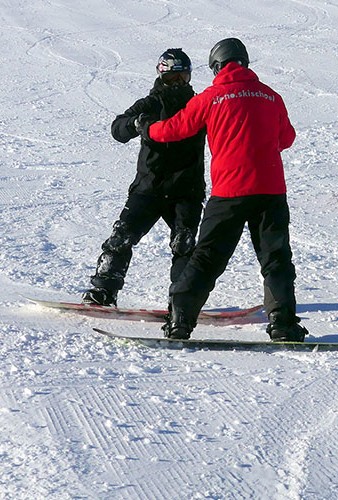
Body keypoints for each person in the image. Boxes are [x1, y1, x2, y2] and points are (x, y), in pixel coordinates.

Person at [136, 38, 307, 342]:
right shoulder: (271, 96)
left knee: (207, 258)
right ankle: (283, 325)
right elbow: (287, 138)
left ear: (216, 66)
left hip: (230, 192)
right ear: (245, 62)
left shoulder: (212, 96)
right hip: (270, 190)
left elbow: (175, 129)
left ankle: (180, 321)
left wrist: (148, 129)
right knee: (276, 258)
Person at [82, 48, 205, 307]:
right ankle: (103, 291)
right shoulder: (151, 102)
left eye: (182, 78)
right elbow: (118, 128)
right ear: (161, 75)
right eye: (172, 78)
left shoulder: (198, 105)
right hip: (149, 187)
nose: (177, 83)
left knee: (184, 244)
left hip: (186, 189)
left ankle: (182, 302)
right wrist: (136, 123)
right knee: (121, 236)